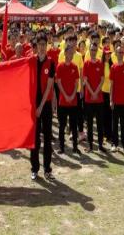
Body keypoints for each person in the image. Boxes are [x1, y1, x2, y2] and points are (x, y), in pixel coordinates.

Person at [30, 33, 56, 181]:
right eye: (39, 44)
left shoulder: (51, 62)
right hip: (33, 104)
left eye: (44, 45)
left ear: (46, 46)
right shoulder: (31, 61)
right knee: (34, 138)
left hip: (45, 104)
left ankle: (47, 169)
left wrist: (40, 106)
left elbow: (49, 87)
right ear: (36, 46)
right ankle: (34, 169)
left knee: (47, 138)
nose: (41, 47)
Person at [56, 44, 81, 155]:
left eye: (72, 53)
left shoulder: (74, 67)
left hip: (73, 101)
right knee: (62, 126)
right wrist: (66, 95)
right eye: (70, 52)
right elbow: (59, 82)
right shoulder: (60, 66)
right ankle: (62, 147)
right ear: (65, 53)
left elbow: (76, 83)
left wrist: (72, 95)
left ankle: (75, 147)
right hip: (63, 101)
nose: (71, 55)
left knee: (74, 125)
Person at [83, 43, 106, 152]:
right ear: (89, 50)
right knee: (89, 124)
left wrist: (96, 92)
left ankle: (100, 145)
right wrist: (92, 92)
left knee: (100, 123)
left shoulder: (100, 63)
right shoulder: (86, 63)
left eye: (95, 50)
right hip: (89, 98)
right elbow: (85, 80)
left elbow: (102, 79)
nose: (93, 51)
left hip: (99, 98)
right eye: (92, 50)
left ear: (97, 51)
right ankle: (90, 145)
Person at [109, 45, 124, 152]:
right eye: (119, 52)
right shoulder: (113, 67)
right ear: (116, 53)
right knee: (114, 123)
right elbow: (111, 85)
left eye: (122, 52)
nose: (121, 54)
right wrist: (110, 100)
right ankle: (114, 144)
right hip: (115, 100)